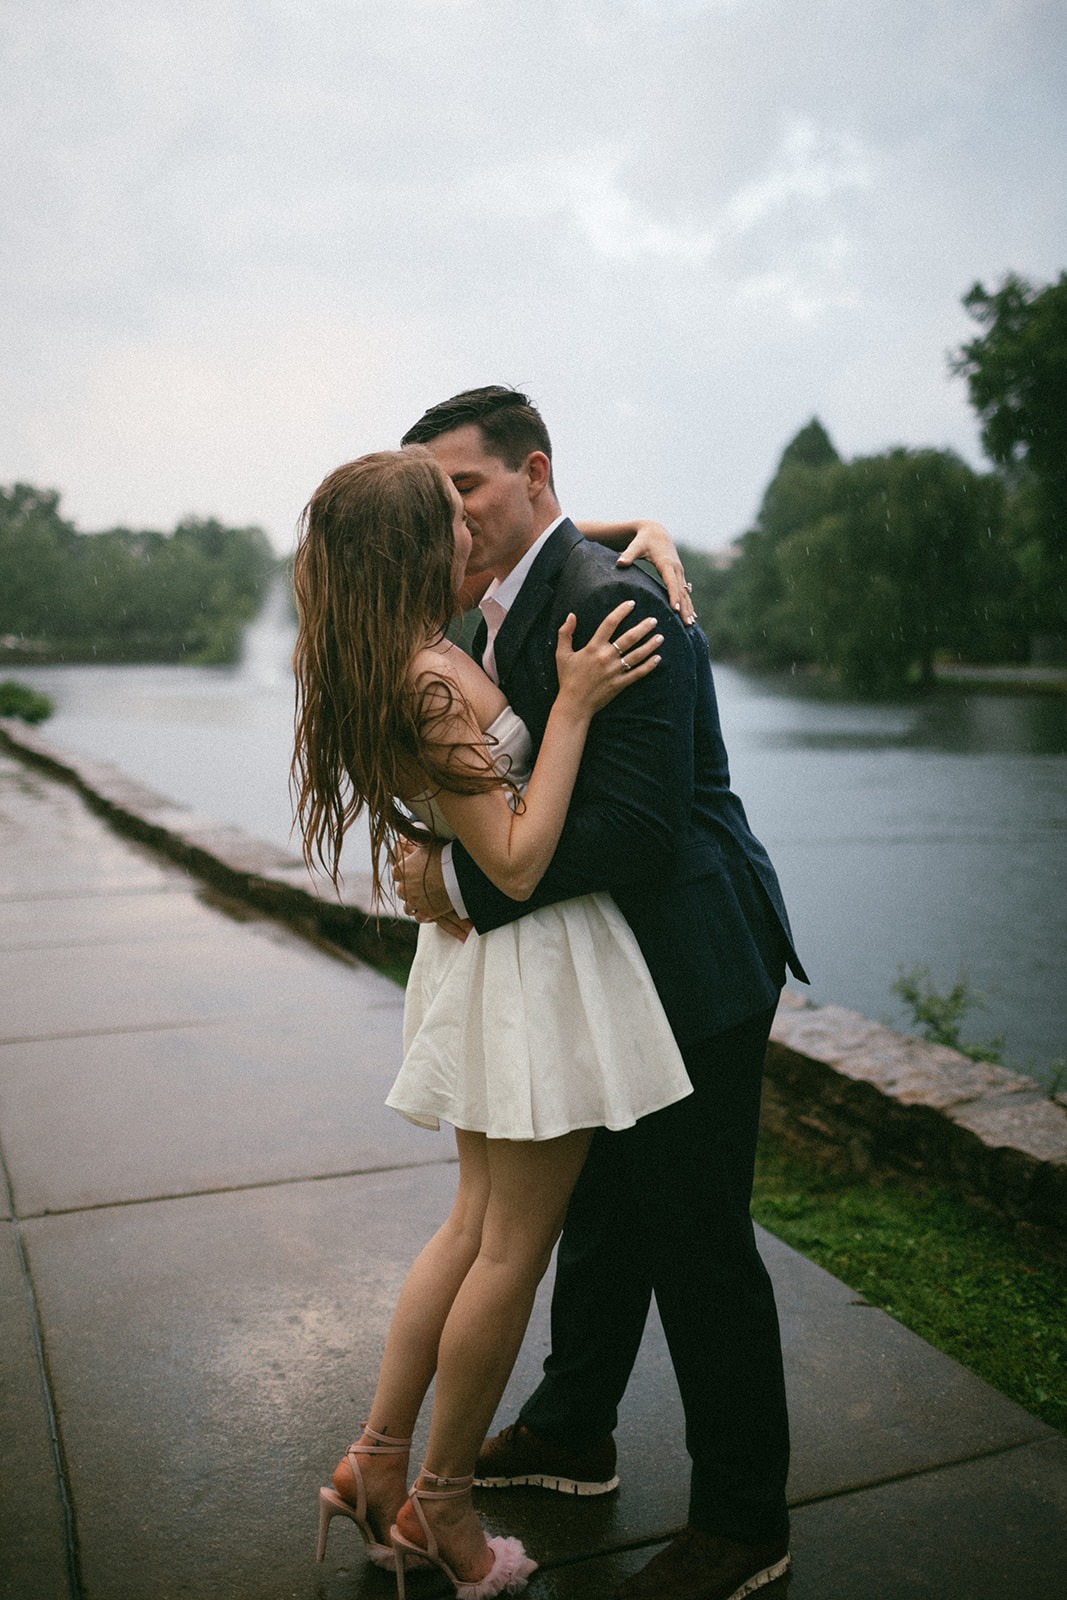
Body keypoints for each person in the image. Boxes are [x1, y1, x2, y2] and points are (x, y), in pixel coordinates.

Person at [394, 387, 809, 1600]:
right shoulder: (500, 596)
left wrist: (461, 880)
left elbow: (630, 832)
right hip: (601, 969)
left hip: (691, 961)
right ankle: (573, 1430)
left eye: (464, 486)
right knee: (600, 1205)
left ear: (532, 473)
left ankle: (744, 1519)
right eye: (432, 494)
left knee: (696, 1238)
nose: (448, 512)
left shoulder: (610, 602)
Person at [292, 445, 698, 1598]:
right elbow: (516, 862)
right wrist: (568, 708)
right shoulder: (429, 680)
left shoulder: (390, 648)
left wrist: (638, 524)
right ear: (417, 547)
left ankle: (377, 1463)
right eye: (448, 516)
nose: (469, 530)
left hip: (492, 968)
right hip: (524, 962)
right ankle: (442, 1508)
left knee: (471, 1228)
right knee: (507, 1247)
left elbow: (535, 537)